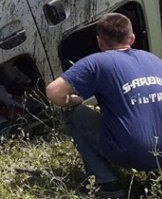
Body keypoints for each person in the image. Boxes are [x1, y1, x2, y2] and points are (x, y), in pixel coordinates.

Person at [46, 13, 162, 199]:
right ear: (131, 38)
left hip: (133, 152)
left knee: (73, 114)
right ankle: (156, 174)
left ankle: (108, 186)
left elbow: (53, 92)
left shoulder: (97, 62)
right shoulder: (153, 59)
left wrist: (75, 100)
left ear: (100, 42)